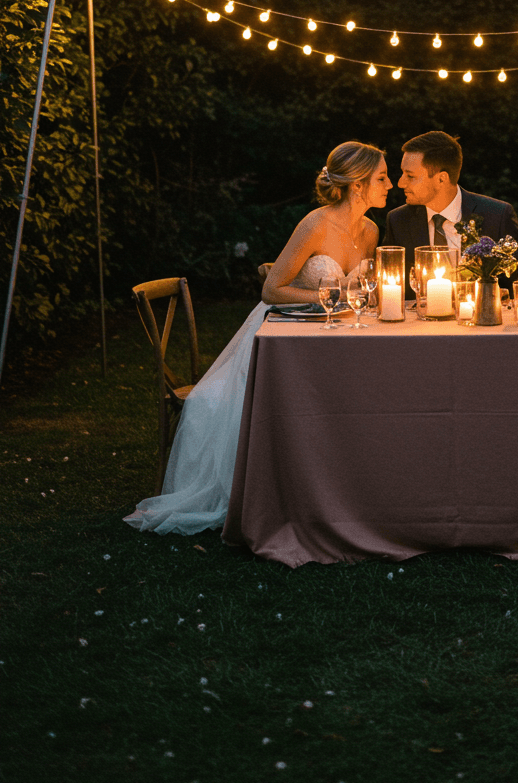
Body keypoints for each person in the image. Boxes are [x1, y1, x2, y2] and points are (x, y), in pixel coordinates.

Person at [124, 141, 390, 536]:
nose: (391, 185)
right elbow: (272, 290)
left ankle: (346, 484)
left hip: (331, 332)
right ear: (357, 185)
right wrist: (330, 297)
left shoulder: (370, 230)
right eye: (382, 177)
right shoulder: (315, 224)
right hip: (279, 331)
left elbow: (359, 291)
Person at [384, 131, 518, 297]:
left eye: (410, 176)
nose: (400, 183)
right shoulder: (398, 221)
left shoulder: (497, 216)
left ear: (441, 179)